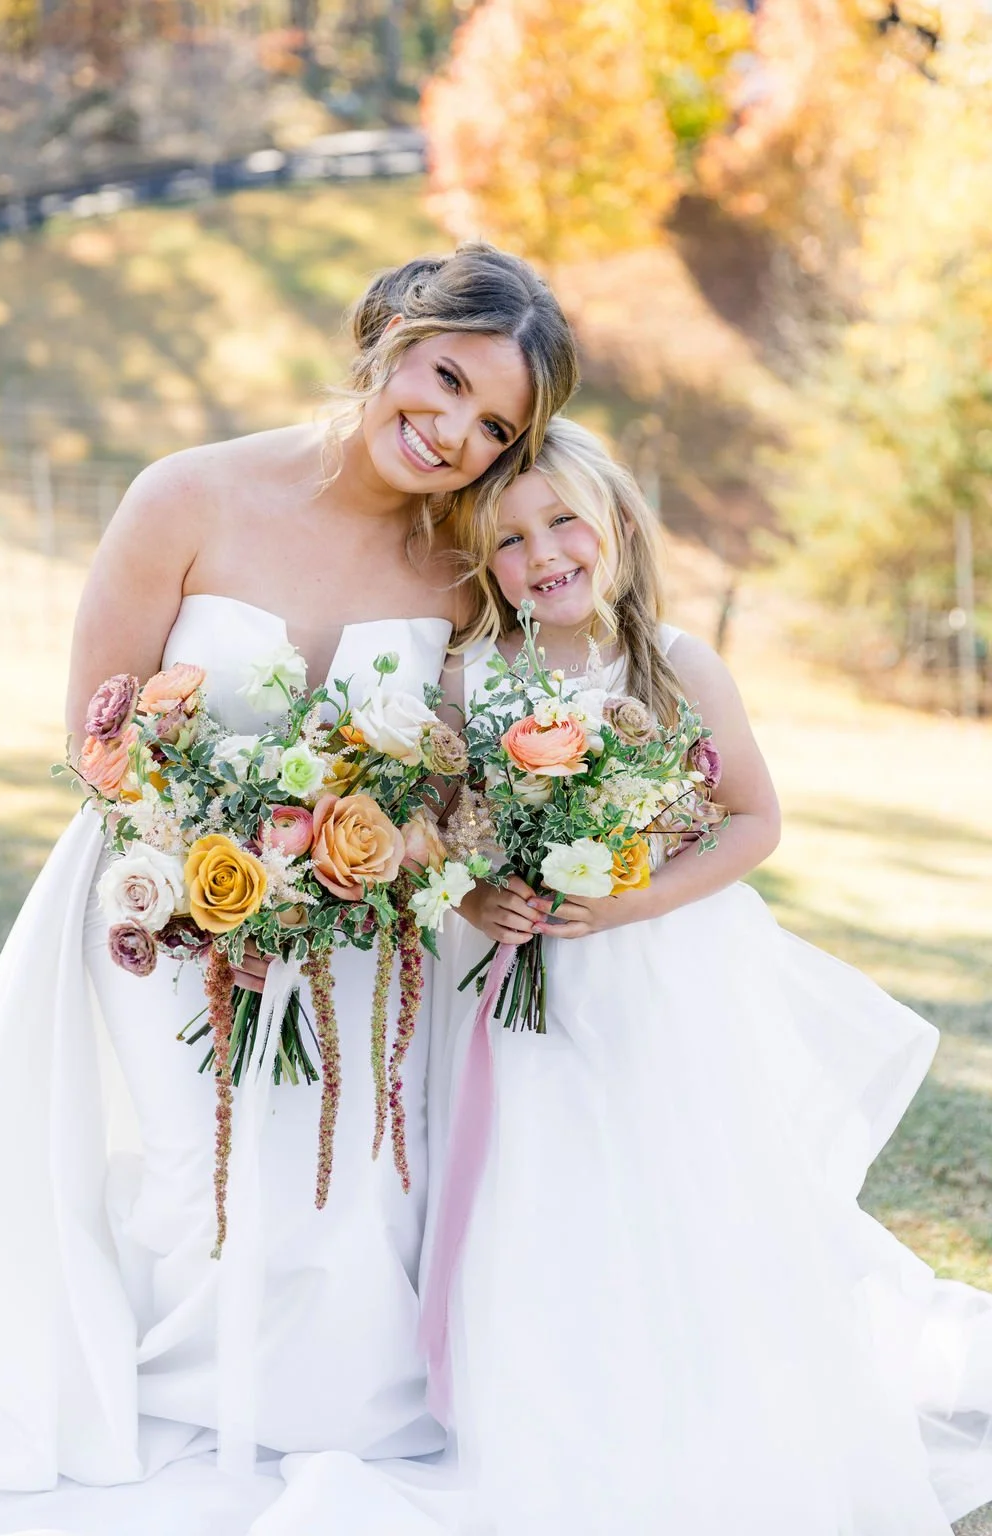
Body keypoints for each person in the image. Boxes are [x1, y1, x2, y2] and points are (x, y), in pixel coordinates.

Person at [0, 245, 579, 1536]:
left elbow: (456, 769)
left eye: (495, 427)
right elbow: (96, 734)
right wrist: (218, 869)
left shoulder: (462, 563)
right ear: (397, 333)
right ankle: (163, 1393)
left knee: (341, 1190)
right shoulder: (190, 494)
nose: (455, 431)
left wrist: (389, 869)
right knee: (195, 1180)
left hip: (361, 934)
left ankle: (319, 1413)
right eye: (448, 377)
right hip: (154, 905)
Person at [424, 415, 992, 1534]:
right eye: (508, 541)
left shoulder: (676, 664)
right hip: (525, 984)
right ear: (481, 564)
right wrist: (483, 891)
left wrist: (628, 900)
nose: (543, 555)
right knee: (540, 1181)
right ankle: (561, 1392)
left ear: (619, 527)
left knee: (677, 1176)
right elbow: (445, 829)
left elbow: (752, 822)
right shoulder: (470, 675)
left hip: (662, 978)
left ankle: (702, 1379)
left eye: (564, 524)